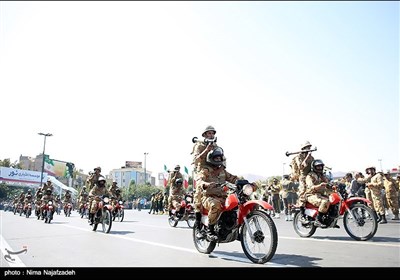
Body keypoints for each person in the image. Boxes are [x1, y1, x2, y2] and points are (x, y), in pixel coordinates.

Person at [197, 147, 241, 241]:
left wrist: (244, 183)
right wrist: (205, 184)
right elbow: (199, 180)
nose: (218, 160)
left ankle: (235, 229)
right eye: (216, 158)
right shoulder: (206, 170)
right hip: (208, 197)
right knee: (215, 205)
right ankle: (210, 230)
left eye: (219, 158)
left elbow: (233, 178)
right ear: (211, 159)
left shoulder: (223, 171)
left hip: (223, 197)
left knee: (236, 204)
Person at [191, 125, 221, 233]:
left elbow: (221, 156)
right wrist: (206, 150)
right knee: (199, 195)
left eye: (213, 133)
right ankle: (198, 226)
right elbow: (195, 160)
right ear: (204, 135)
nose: (211, 135)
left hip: (214, 169)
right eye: (209, 133)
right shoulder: (199, 145)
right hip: (202, 170)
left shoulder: (215, 145)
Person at [290, 141, 315, 216]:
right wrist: (307, 157)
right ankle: (301, 212)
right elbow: (301, 166)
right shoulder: (298, 157)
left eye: (309, 147)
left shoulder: (312, 157)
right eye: (307, 147)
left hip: (310, 176)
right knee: (303, 193)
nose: (309, 149)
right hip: (303, 177)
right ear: (304, 148)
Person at [304, 159, 332, 227]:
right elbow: (310, 187)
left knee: (332, 200)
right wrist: (319, 185)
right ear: (314, 167)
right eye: (317, 166)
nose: (319, 168)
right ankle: (318, 220)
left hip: (321, 195)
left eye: (320, 166)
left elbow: (328, 183)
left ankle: (330, 219)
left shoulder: (322, 175)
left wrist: (332, 185)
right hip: (311, 195)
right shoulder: (310, 176)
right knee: (325, 202)